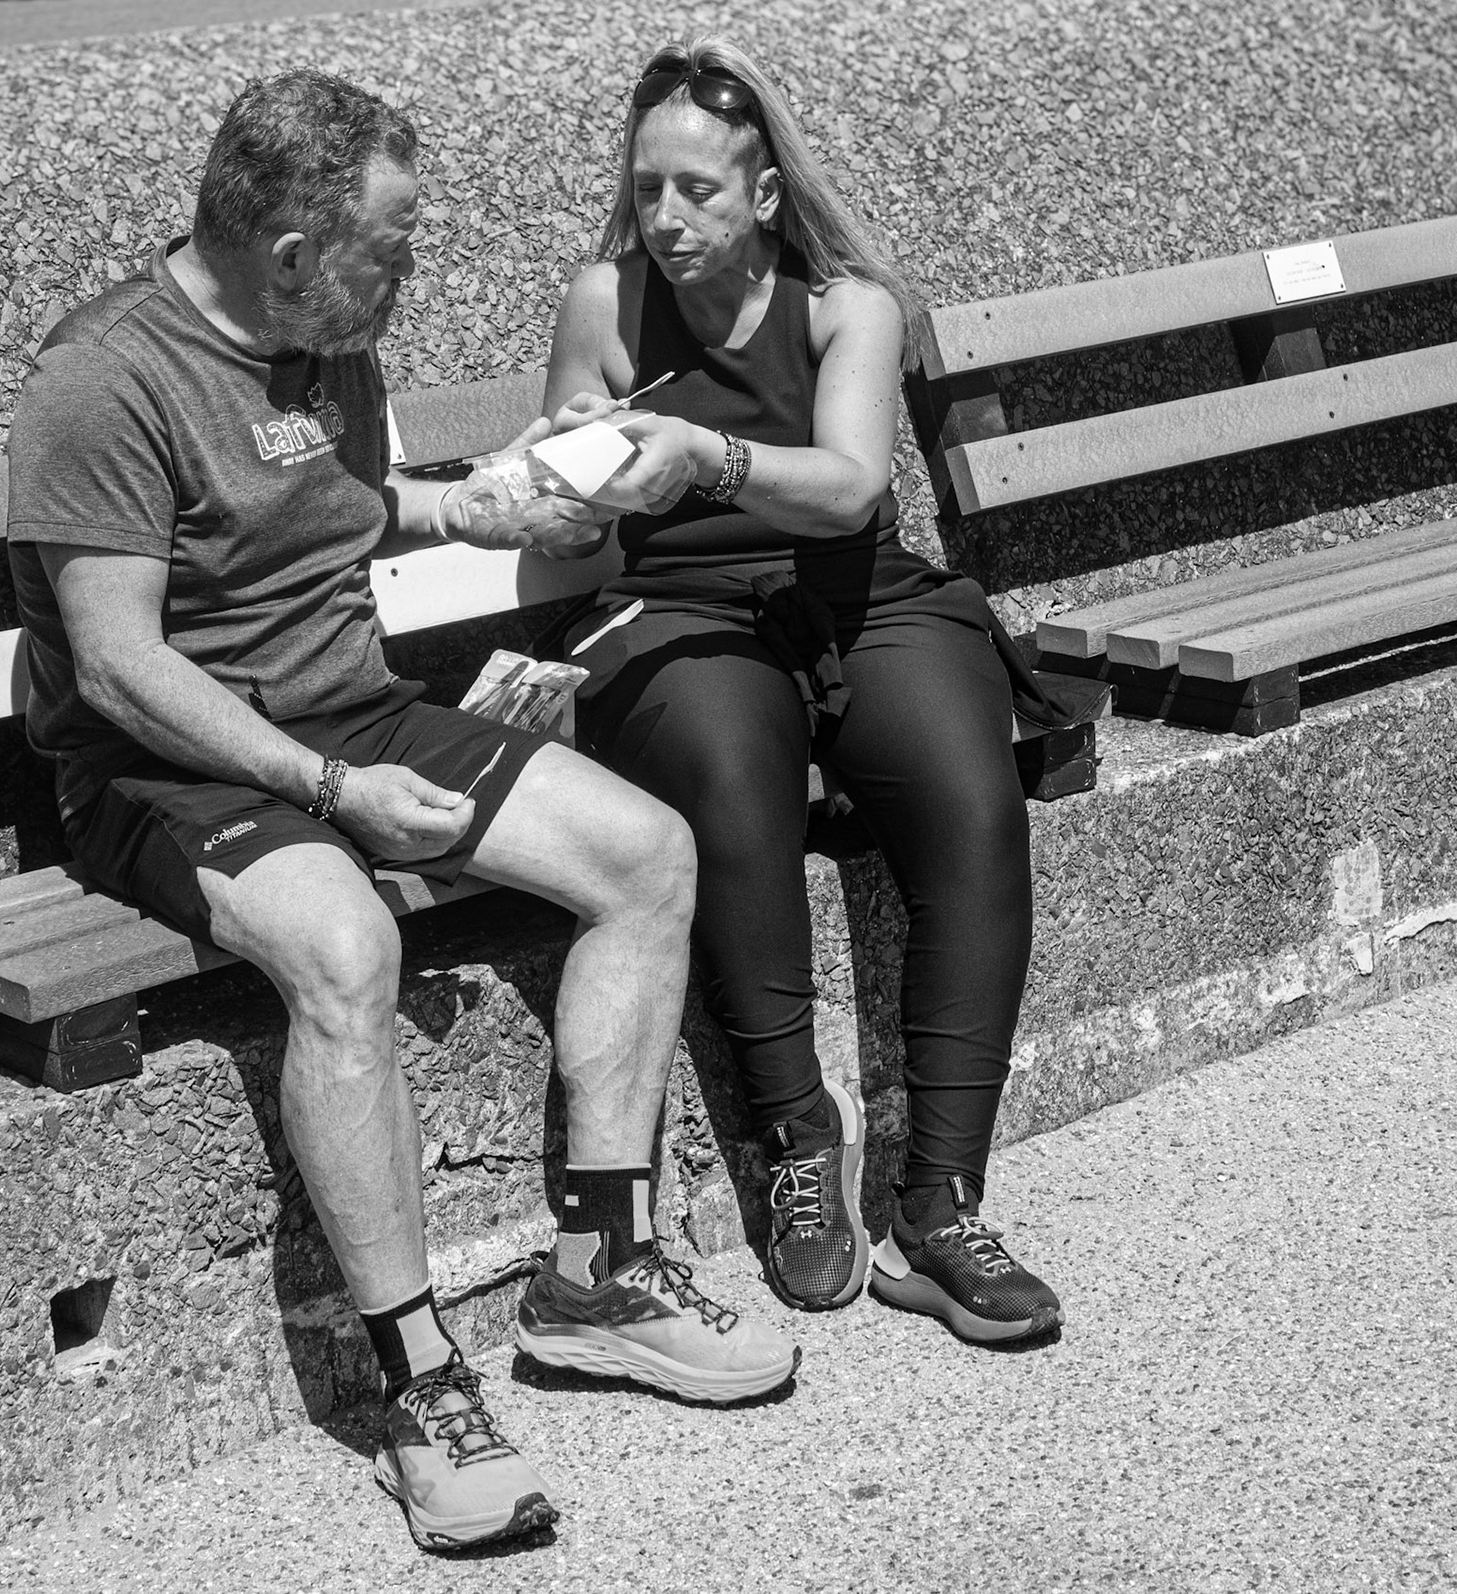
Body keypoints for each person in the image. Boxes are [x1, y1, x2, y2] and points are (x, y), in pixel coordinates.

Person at [4, 69, 798, 1552]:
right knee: (346, 950)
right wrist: (327, 789)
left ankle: (599, 1274)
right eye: (395, 241)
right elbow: (116, 666)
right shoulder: (104, 380)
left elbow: (350, 504)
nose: (414, 266)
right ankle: (419, 1382)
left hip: (353, 710)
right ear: (293, 249)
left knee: (645, 854)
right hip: (164, 768)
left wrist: (484, 503)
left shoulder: (328, 335)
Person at [538, 35, 1065, 1345]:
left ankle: (940, 1204)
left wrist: (703, 455)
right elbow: (567, 522)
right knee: (727, 774)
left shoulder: (846, 306)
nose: (665, 216)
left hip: (856, 589)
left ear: (765, 193)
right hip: (679, 602)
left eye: (697, 189)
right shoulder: (604, 302)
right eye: (647, 187)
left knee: (971, 799)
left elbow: (847, 486)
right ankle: (796, 1137)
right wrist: (559, 484)